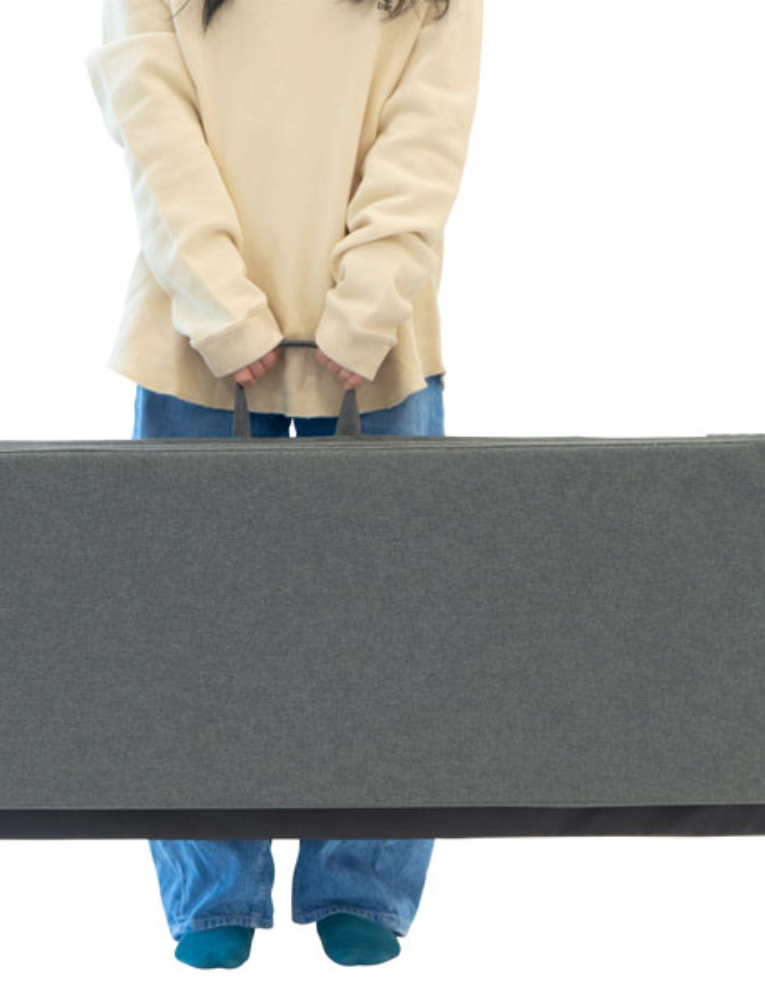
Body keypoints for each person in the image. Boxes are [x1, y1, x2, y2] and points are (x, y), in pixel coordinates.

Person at [84, 0, 481, 969]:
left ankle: (363, 877)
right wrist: (219, 301)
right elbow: (149, 107)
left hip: (380, 344)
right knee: (192, 624)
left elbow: (429, 128)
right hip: (191, 336)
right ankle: (213, 884)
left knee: (388, 625)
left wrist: (367, 301)